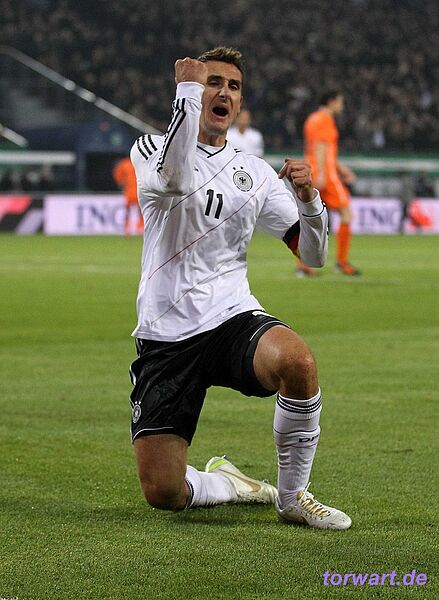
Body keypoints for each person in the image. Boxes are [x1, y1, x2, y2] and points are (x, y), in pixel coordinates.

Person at [129, 47, 351, 530]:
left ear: (240, 100)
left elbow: (313, 255)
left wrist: (309, 200)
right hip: (167, 333)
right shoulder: (149, 148)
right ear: (194, 91)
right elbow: (173, 179)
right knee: (164, 492)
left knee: (298, 362)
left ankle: (292, 497)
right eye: (213, 82)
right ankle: (230, 483)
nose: (224, 93)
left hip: (231, 317)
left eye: (233, 86)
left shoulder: (254, 173)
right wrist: (186, 92)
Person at [299, 90, 360, 277]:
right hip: (325, 174)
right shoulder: (324, 119)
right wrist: (322, 174)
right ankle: (341, 262)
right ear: (331, 101)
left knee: (312, 217)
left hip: (316, 170)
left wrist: (341, 169)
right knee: (346, 214)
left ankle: (303, 264)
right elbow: (320, 147)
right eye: (340, 102)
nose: (342, 106)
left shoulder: (312, 119)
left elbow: (319, 149)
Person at [112, 156, 143, 236]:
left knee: (129, 211)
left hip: (131, 190)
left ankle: (127, 229)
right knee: (140, 210)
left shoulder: (124, 164)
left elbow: (117, 174)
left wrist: (121, 183)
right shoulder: (139, 162)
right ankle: (139, 228)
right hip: (137, 190)